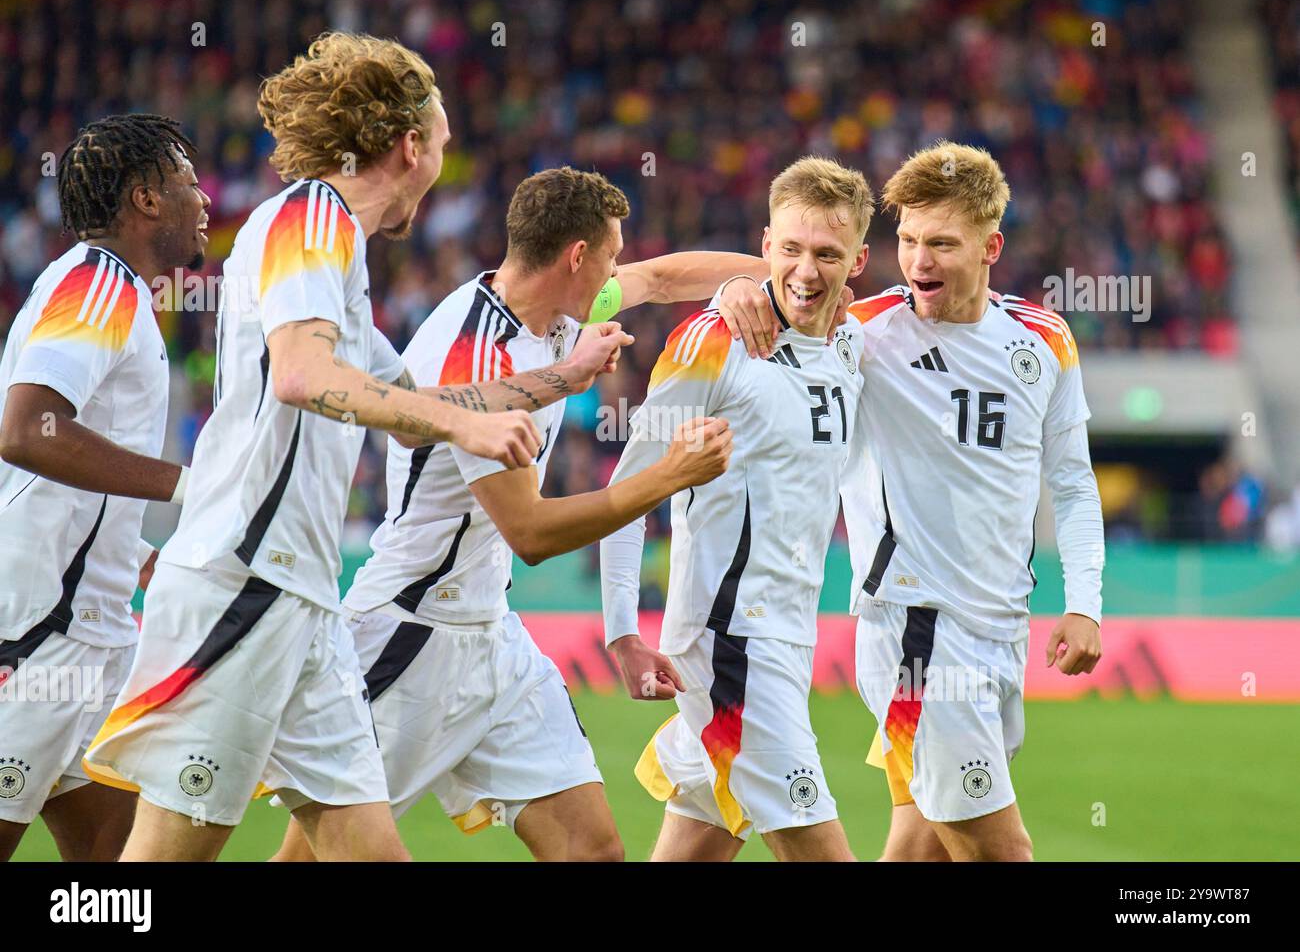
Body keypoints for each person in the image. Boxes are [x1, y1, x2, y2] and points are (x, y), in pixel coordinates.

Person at [82, 32, 627, 862]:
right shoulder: (312, 218)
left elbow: (409, 409)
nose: (443, 163)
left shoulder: (342, 254)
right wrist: (469, 425)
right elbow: (304, 374)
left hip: (305, 602)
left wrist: (558, 378)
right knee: (158, 864)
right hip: (245, 585)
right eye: (441, 145)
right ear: (410, 147)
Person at [271, 166, 758, 862]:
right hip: (409, 633)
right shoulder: (473, 356)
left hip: (492, 638)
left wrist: (768, 281)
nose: (621, 271)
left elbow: (668, 276)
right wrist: (667, 477)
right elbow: (528, 531)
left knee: (594, 851)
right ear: (576, 258)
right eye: (612, 255)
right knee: (311, 859)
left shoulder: (560, 311)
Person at [716, 141, 1105, 861]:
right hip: (915, 633)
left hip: (999, 628)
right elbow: (789, 286)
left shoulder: (1045, 340)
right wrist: (734, 291)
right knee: (1000, 850)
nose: (919, 260)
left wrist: (1083, 601)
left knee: (919, 844)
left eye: (942, 244)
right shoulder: (860, 331)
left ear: (991, 246)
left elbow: (1074, 482)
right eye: (907, 240)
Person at [601, 157, 875, 861]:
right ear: (764, 245)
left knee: (697, 842)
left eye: (827, 254)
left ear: (859, 261)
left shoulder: (850, 341)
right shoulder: (715, 341)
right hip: (731, 645)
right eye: (789, 249)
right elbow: (630, 493)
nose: (806, 272)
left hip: (786, 637)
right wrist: (622, 631)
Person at [0, 114, 209, 861]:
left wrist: (132, 545)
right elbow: (28, 428)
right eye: (187, 180)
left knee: (117, 857)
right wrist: (192, 484)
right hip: (40, 632)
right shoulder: (98, 285)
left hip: (95, 629)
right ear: (147, 199)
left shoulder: (114, 292)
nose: (204, 197)